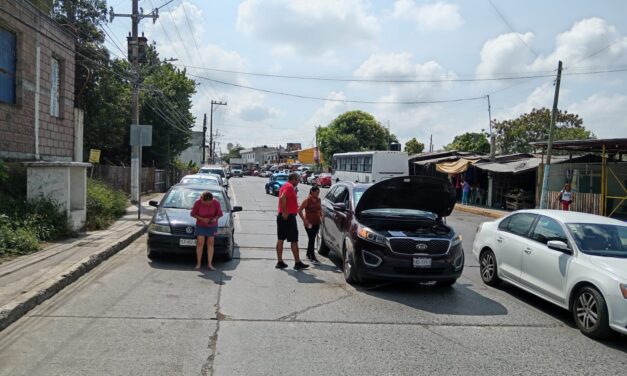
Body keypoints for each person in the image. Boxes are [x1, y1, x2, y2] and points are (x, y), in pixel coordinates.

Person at [276, 173, 309, 270]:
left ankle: (280, 262)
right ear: (293, 179)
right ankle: (297, 262)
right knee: (294, 240)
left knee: (280, 239)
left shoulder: (285, 186)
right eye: (297, 180)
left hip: (282, 216)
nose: (298, 182)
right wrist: (285, 212)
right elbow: (283, 197)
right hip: (288, 217)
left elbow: (285, 199)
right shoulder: (289, 187)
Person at [191, 191, 223, 271]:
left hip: (213, 226)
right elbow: (192, 213)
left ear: (212, 200)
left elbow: (220, 214)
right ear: (202, 199)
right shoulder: (198, 203)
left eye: (210, 203)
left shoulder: (216, 203)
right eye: (206, 203)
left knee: (210, 244)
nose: (208, 204)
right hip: (200, 225)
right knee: (200, 243)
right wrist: (202, 219)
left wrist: (215, 218)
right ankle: (198, 264)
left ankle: (210, 264)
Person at [298, 186, 322, 265]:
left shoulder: (319, 200)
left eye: (319, 193)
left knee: (312, 238)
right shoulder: (307, 200)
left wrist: (321, 217)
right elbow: (300, 210)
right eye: (316, 192)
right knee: (311, 239)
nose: (318, 194)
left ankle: (308, 254)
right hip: (309, 223)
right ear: (311, 192)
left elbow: (319, 209)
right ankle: (312, 257)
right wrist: (304, 220)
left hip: (317, 222)